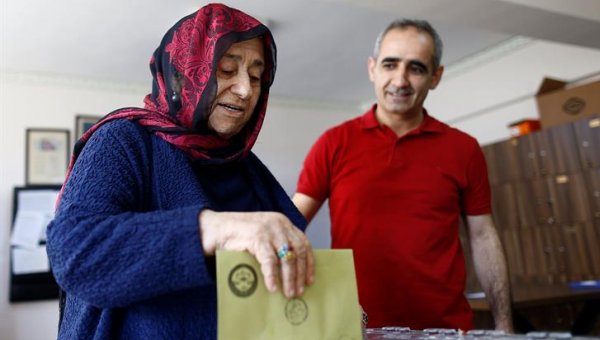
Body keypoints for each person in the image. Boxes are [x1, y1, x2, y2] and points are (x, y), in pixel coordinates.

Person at [46, 4, 314, 339]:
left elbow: (291, 258)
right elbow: (75, 253)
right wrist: (217, 228)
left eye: (257, 77)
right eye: (227, 70)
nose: (246, 90)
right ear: (181, 75)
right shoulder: (125, 141)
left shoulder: (249, 170)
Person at [293, 19, 513, 332]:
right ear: (372, 69)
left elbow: (483, 237)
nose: (400, 80)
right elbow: (290, 225)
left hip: (445, 331)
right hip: (357, 331)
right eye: (390, 64)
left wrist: (505, 327)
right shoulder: (333, 143)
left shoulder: (463, 149)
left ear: (436, 77)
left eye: (416, 68)